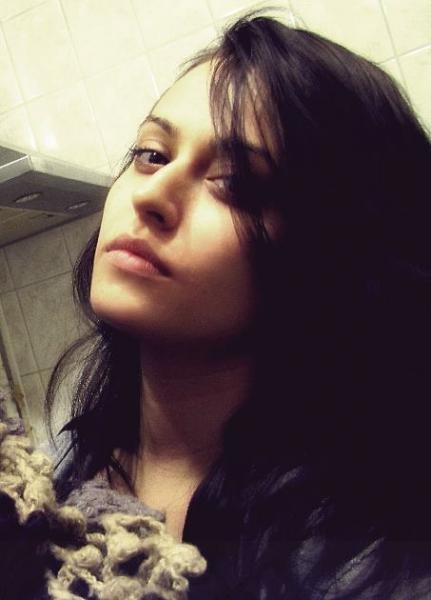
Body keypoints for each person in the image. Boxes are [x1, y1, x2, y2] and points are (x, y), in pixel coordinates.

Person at [43, 12, 431, 599]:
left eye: (236, 183)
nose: (152, 194)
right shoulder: (59, 480)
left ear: (335, 252)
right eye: (151, 154)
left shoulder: (371, 557)